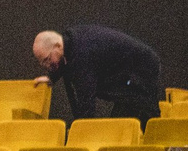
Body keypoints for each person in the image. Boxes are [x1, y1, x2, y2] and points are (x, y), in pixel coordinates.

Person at [31, 23, 162, 123]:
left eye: (47, 59)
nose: (46, 65)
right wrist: (51, 78)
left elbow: (86, 100)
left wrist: (82, 131)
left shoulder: (82, 54)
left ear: (58, 46)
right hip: (130, 72)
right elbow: (63, 60)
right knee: (120, 126)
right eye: (42, 62)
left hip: (142, 71)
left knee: (132, 124)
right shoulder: (68, 42)